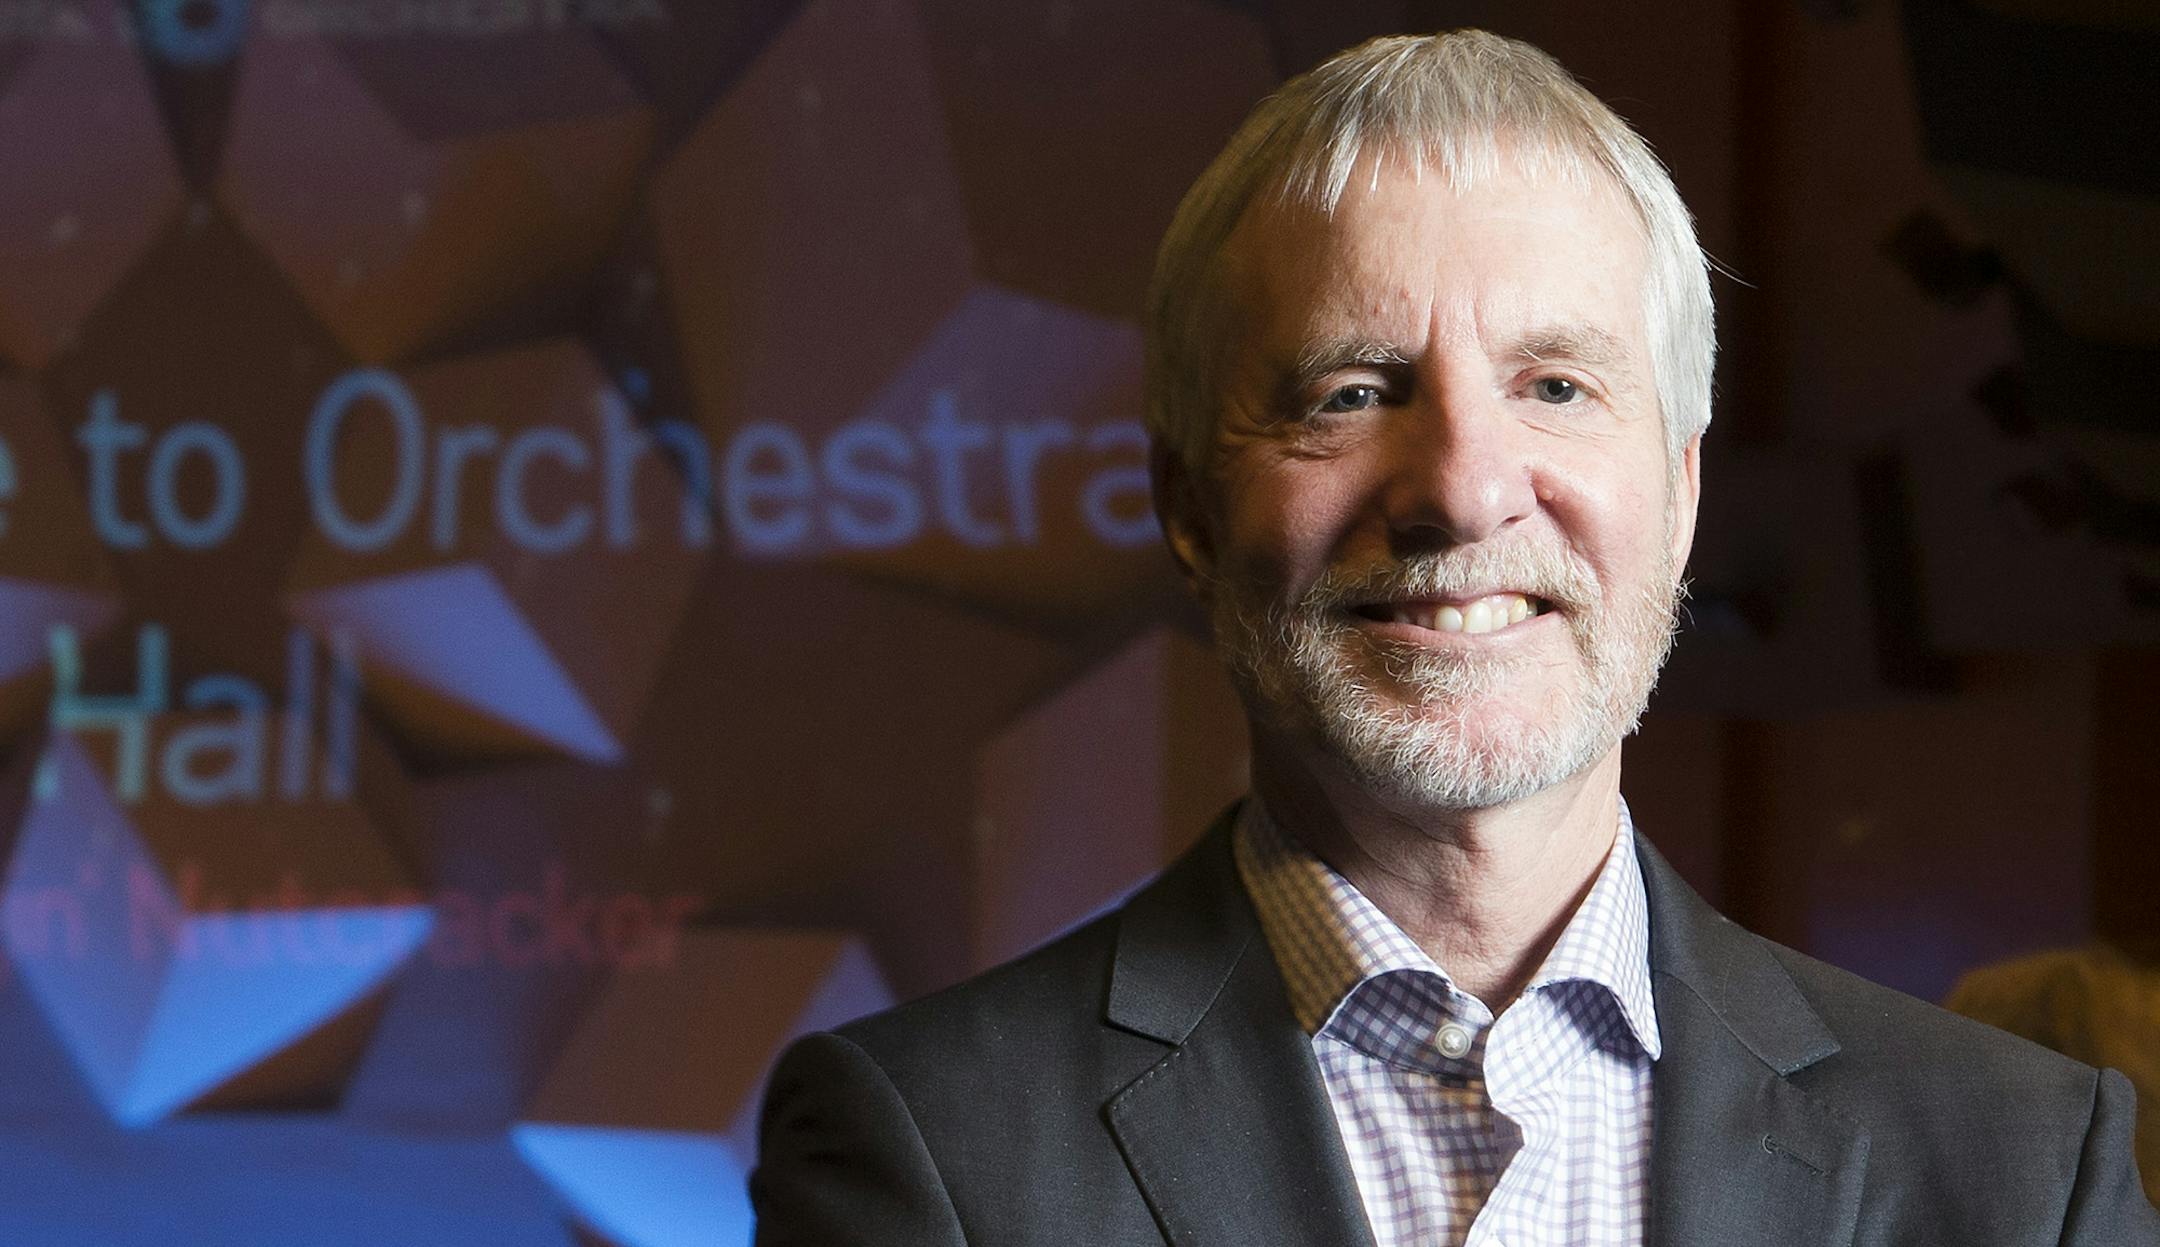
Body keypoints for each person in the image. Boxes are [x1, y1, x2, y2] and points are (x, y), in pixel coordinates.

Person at [750, 29, 2160, 1246]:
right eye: (1354, 391)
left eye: (1554, 384)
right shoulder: (933, 1150)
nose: (1466, 488)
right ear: (1187, 505)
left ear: (1677, 494)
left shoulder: (2023, 1167)